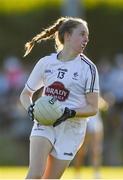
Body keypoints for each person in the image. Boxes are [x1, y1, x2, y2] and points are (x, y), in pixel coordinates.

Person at [20, 16, 99, 179]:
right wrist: (31, 109)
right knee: (35, 174)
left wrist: (68, 112)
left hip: (72, 130)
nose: (86, 39)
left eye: (87, 36)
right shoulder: (46, 63)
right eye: (82, 34)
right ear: (67, 36)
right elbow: (25, 94)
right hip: (45, 123)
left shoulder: (89, 69)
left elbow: (93, 107)